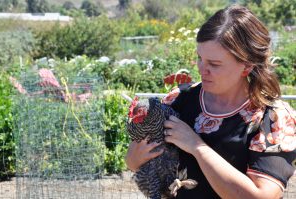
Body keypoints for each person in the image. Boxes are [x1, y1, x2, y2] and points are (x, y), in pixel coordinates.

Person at [125, 4, 296, 199]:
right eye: (200, 58)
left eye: (214, 64)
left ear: (247, 66)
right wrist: (134, 159)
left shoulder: (273, 118)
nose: (202, 69)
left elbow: (260, 196)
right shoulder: (178, 100)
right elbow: (133, 159)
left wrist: (197, 146)